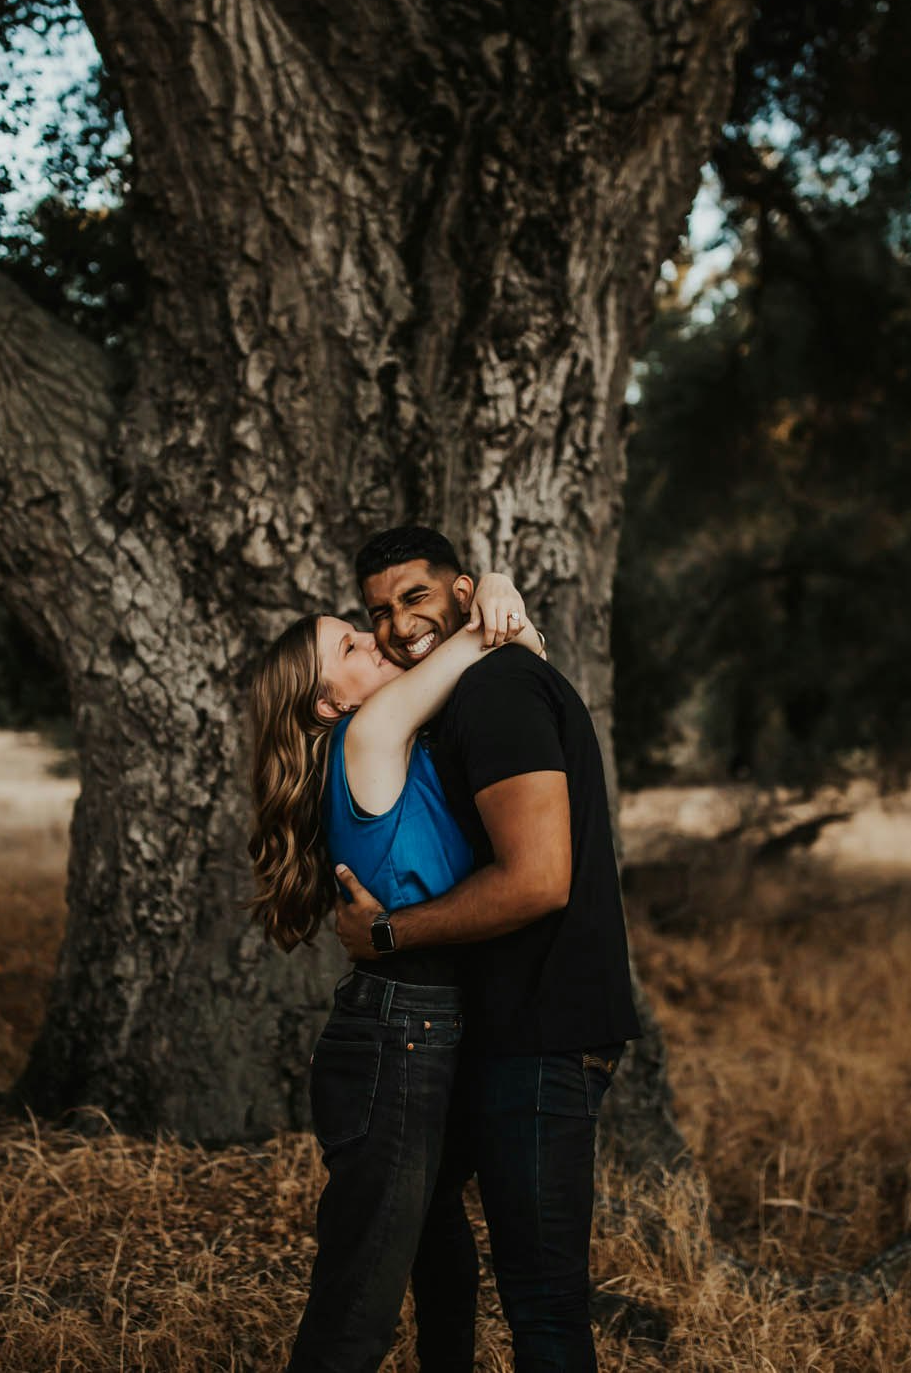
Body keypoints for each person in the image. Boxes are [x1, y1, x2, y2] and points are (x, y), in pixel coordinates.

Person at [334, 526, 641, 1373]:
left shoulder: (497, 690)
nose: (396, 626)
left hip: (543, 1027)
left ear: (465, 593)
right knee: (430, 1227)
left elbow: (538, 880)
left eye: (415, 597)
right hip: (492, 1026)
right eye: (377, 613)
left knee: (542, 1302)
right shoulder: (467, 685)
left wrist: (386, 933)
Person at [245, 571, 544, 1373]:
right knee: (359, 1300)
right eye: (350, 645)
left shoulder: (392, 743)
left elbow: (512, 653)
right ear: (325, 704)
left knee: (441, 1256)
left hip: (418, 1027)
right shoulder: (370, 736)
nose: (375, 639)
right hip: (398, 1034)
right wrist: (498, 589)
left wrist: (504, 597)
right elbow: (487, 638)